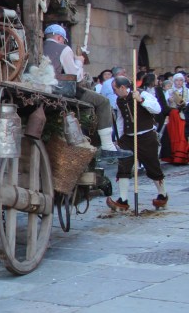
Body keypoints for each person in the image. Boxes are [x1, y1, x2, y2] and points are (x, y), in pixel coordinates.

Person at [42, 25, 130, 160]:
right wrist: (79, 61)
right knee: (103, 102)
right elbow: (76, 77)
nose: (63, 42)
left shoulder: (39, 46)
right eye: (63, 40)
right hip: (62, 89)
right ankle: (107, 146)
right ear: (59, 37)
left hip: (42, 85)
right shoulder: (64, 49)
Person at [107, 76, 168, 210]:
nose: (114, 92)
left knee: (152, 166)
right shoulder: (119, 100)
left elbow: (157, 109)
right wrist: (120, 136)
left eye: (115, 89)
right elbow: (121, 119)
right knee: (123, 165)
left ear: (122, 87)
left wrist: (140, 100)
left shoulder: (143, 93)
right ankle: (123, 200)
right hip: (128, 138)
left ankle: (162, 195)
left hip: (146, 136)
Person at [163, 73, 189, 164]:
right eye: (177, 80)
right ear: (174, 81)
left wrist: (185, 103)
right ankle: (175, 157)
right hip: (174, 115)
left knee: (183, 134)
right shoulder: (169, 91)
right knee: (174, 135)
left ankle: (182, 157)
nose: (179, 82)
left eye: (181, 80)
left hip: (184, 114)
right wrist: (169, 100)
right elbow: (166, 104)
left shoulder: (187, 91)